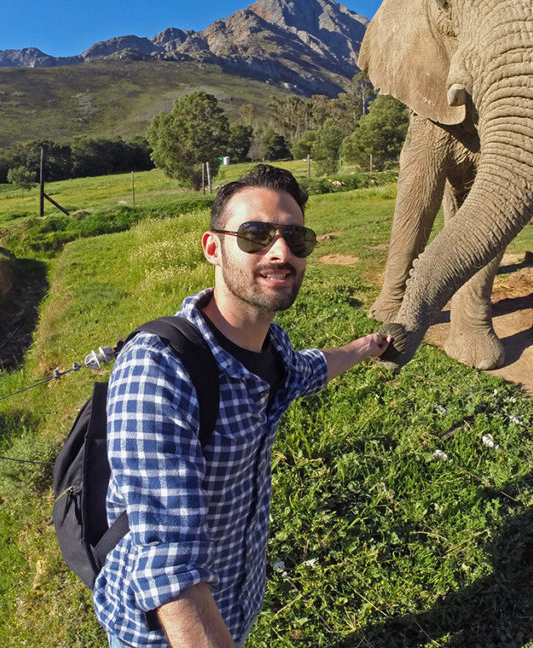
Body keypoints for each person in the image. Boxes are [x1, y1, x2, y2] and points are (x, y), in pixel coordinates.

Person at [93, 164, 391, 647]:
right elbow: (172, 569)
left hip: (236, 601)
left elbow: (306, 372)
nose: (280, 251)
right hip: (163, 634)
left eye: (297, 239)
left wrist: (363, 348)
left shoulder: (271, 349)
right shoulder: (159, 369)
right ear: (214, 247)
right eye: (255, 235)